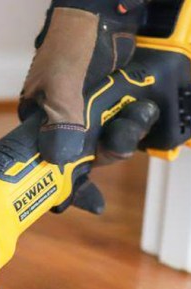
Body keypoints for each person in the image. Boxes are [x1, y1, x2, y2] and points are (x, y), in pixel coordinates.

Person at [20, 0, 159, 166]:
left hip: (101, 24)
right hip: (72, 19)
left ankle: (113, 143)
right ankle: (103, 154)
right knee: (42, 115)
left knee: (62, 140)